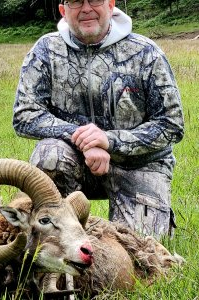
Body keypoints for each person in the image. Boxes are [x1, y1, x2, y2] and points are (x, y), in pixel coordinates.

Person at [12, 0, 184, 238]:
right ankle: (60, 236)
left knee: (140, 252)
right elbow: (24, 115)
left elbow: (172, 124)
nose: (86, 8)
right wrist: (83, 138)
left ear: (111, 5)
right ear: (63, 10)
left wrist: (109, 141)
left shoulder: (146, 53)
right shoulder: (46, 50)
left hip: (138, 164)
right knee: (49, 155)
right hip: (76, 162)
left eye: (94, 0)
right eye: (76, 2)